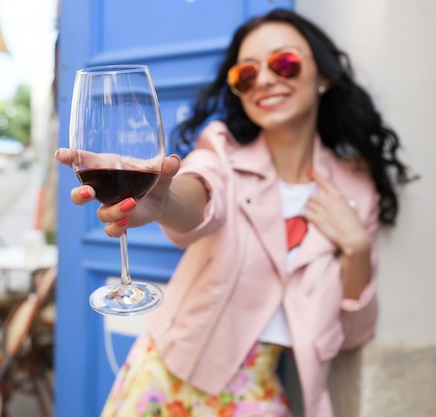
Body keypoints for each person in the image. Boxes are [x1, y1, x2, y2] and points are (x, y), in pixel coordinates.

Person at [56, 8, 413, 417]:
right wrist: (163, 201)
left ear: (325, 75)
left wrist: (357, 249)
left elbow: (353, 335)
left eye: (284, 63)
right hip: (168, 376)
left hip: (257, 392)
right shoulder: (222, 149)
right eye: (246, 74)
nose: (263, 79)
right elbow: (200, 194)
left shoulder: (356, 190)